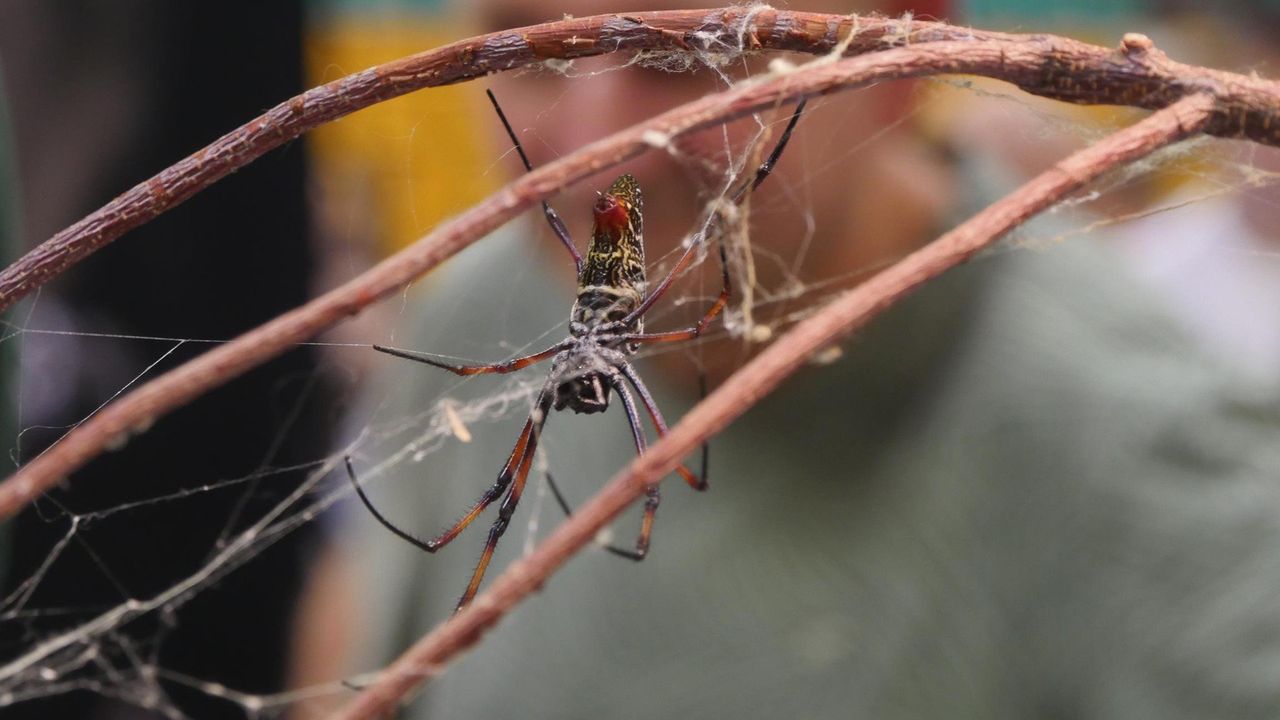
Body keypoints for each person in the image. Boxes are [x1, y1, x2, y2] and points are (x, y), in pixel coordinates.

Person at [308, 2, 1280, 718]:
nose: (594, 157)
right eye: (525, 50)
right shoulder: (496, 298)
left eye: (680, 62)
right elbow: (361, 632)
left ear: (899, 58)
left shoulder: (1183, 481)